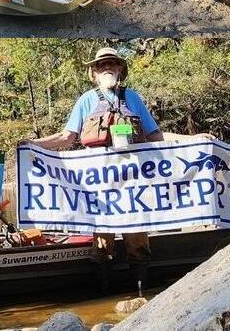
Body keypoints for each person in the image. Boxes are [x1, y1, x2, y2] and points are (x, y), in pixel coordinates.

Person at [22, 47, 214, 292]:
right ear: (93, 73)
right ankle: (103, 294)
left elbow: (155, 135)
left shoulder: (133, 97)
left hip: (134, 185)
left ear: (121, 69)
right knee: (102, 244)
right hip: (99, 189)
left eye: (112, 63)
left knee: (138, 242)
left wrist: (192, 139)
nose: (107, 68)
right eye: (101, 65)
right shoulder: (86, 100)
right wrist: (33, 144)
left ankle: (139, 294)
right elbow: (67, 137)